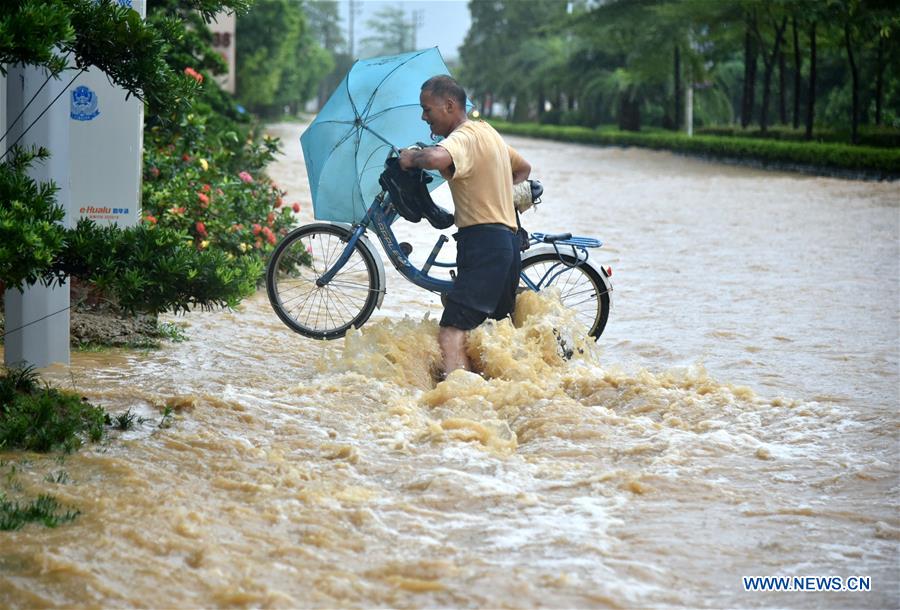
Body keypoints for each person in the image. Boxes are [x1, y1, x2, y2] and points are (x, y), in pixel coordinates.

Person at [398, 75, 531, 375]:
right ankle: (493, 396)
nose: (423, 117)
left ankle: (457, 399)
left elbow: (434, 157)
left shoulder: (464, 137)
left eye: (427, 109)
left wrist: (410, 158)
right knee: (489, 331)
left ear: (449, 105)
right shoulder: (489, 133)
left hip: (483, 244)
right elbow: (523, 168)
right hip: (508, 243)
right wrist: (496, 191)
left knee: (451, 330)